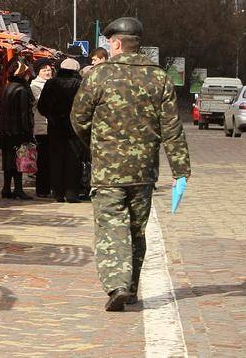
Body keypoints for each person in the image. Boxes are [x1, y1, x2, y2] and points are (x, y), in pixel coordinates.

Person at [71, 17, 191, 312]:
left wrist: (96, 145)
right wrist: (181, 171)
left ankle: (118, 285)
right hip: (144, 171)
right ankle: (132, 287)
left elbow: (78, 118)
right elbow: (172, 128)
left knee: (111, 226)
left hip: (108, 170)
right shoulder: (159, 78)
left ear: (115, 43)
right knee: (137, 230)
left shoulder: (99, 76)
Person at [38, 57, 84, 203]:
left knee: (56, 159)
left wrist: (52, 116)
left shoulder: (51, 84)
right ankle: (72, 193)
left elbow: (41, 106)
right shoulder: (80, 84)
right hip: (74, 128)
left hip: (55, 127)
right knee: (74, 159)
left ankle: (58, 192)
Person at [0, 57, 35, 200]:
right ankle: (18, 189)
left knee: (7, 162)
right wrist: (27, 133)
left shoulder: (6, 87)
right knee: (19, 161)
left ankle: (6, 188)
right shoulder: (22, 89)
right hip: (18, 131)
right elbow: (24, 114)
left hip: (5, 131)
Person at [31, 57, 54, 198]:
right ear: (38, 72)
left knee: (51, 159)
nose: (47, 72)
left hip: (52, 126)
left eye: (49, 69)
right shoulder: (34, 86)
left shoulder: (52, 84)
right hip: (41, 127)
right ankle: (42, 188)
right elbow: (41, 104)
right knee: (43, 159)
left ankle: (50, 186)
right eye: (44, 70)